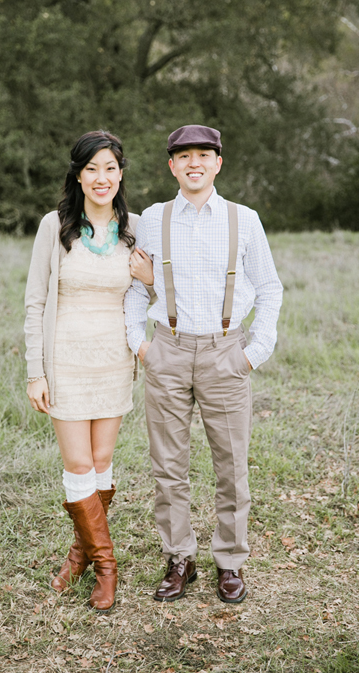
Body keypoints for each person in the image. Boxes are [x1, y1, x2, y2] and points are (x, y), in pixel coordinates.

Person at [124, 125, 283, 605]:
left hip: (225, 352)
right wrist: (140, 343)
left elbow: (270, 288)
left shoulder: (244, 219)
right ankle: (180, 558)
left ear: (218, 163)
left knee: (232, 466)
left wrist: (254, 352)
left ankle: (230, 562)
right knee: (168, 466)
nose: (194, 163)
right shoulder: (153, 219)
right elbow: (136, 285)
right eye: (184, 156)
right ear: (172, 166)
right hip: (167, 350)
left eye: (204, 155)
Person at [24, 130, 154, 612]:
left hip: (115, 361)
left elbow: (155, 296)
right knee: (78, 465)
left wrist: (152, 279)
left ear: (121, 174)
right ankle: (106, 567)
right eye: (92, 168)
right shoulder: (55, 226)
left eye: (111, 168)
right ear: (78, 174)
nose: (102, 178)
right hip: (66, 361)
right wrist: (35, 371)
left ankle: (79, 552)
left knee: (102, 464)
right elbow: (36, 300)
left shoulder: (138, 227)